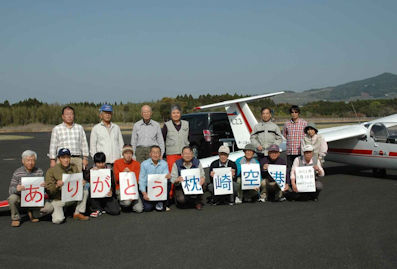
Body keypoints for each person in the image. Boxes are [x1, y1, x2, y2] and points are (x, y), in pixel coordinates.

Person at [8, 150, 53, 227]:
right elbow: (10, 190)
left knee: (50, 208)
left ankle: (34, 214)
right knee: (12, 198)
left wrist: (45, 187)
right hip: (21, 197)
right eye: (28, 160)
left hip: (35, 198)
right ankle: (15, 218)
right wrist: (17, 189)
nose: (30, 163)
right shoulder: (17, 172)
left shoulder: (39, 171)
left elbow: (44, 191)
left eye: (32, 160)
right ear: (23, 161)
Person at [45, 148, 89, 224]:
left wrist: (82, 182)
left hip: (71, 197)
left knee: (85, 190)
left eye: (68, 157)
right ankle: (54, 208)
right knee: (58, 220)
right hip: (58, 199)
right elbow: (48, 190)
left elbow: (78, 182)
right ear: (59, 159)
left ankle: (78, 213)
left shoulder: (74, 167)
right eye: (63, 158)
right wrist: (56, 186)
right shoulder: (51, 171)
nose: (66, 160)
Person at [49, 106, 89, 172]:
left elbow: (84, 144)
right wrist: (52, 160)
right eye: (67, 114)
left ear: (74, 115)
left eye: (71, 114)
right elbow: (53, 146)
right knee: (62, 180)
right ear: (63, 116)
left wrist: (85, 158)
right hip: (62, 159)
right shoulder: (57, 129)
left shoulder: (79, 128)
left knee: (77, 180)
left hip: (77, 159)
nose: (69, 116)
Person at [84, 152, 120, 217]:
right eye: (98, 163)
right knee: (89, 188)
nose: (101, 165)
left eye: (102, 162)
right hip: (96, 197)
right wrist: (91, 171)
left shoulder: (109, 171)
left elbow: (113, 184)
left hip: (107, 196)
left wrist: (111, 190)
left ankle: (103, 207)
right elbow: (86, 178)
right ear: (95, 163)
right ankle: (97, 208)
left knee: (115, 211)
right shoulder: (92, 170)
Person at [139, 146, 171, 212]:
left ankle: (161, 201)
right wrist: (144, 193)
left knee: (169, 183)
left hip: (159, 188)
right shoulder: (144, 164)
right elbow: (142, 180)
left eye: (157, 153)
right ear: (150, 154)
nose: (155, 154)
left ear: (160, 154)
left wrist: (168, 176)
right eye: (153, 152)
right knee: (147, 208)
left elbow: (165, 177)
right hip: (148, 188)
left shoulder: (164, 163)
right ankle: (154, 202)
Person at [113, 144, 143, 213]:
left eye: (130, 153)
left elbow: (137, 180)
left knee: (139, 209)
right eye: (126, 153)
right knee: (127, 202)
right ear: (123, 154)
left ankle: (130, 205)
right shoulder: (117, 162)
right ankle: (121, 203)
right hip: (120, 188)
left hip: (133, 189)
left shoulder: (136, 164)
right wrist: (123, 173)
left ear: (132, 154)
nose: (128, 155)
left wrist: (131, 173)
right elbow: (116, 180)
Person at [162, 104, 189, 172]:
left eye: (177, 113)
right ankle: (173, 183)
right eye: (173, 113)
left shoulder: (186, 124)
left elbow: (189, 137)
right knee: (173, 173)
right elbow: (162, 139)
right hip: (171, 154)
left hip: (184, 154)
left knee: (184, 172)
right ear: (171, 115)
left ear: (180, 114)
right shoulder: (167, 125)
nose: (176, 115)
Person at [283, 105, 307, 170]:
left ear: (298, 113)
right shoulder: (287, 124)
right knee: (290, 169)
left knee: (300, 169)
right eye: (292, 112)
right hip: (290, 151)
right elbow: (285, 134)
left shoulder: (304, 123)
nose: (294, 114)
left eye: (296, 112)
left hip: (299, 151)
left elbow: (306, 135)